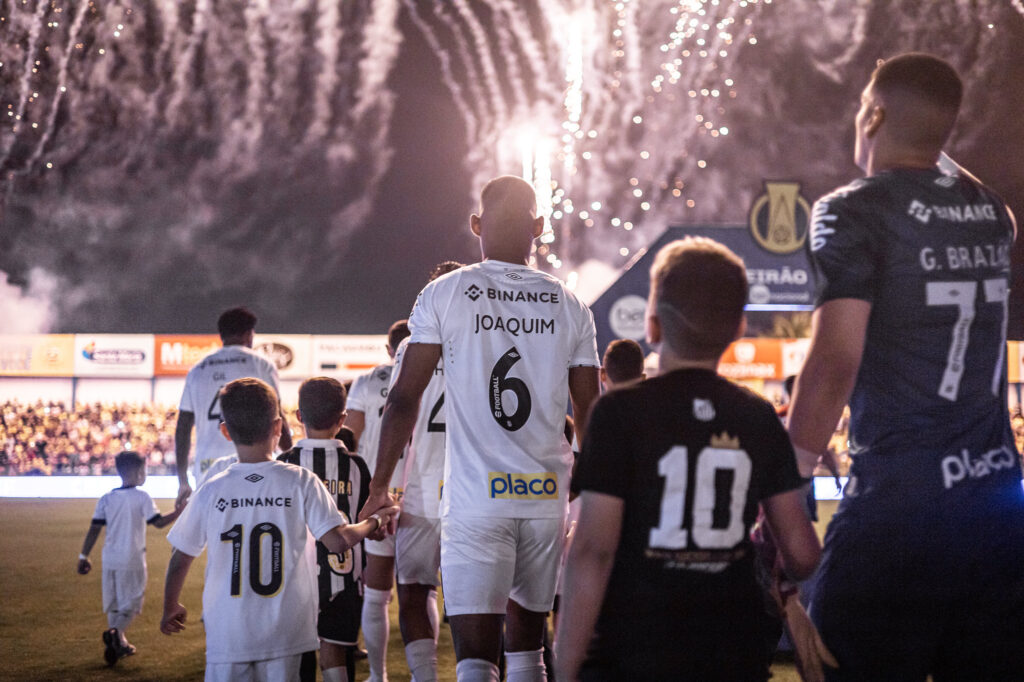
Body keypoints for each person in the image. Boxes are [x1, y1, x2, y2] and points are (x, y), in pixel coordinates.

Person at [787, 53, 1023, 680]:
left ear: (872, 113)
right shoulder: (994, 214)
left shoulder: (850, 209)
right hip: (996, 507)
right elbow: (946, 166)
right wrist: (930, 129)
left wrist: (790, 473)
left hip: (898, 508)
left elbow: (836, 357)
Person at [363, 175, 601, 682]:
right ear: (539, 227)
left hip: (476, 500)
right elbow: (590, 413)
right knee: (528, 653)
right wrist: (593, 494)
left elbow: (404, 398)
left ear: (476, 224)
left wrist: (379, 487)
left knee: (475, 660)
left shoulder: (444, 294)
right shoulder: (572, 305)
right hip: (543, 498)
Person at [554, 237, 821, 681]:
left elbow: (592, 551)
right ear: (738, 328)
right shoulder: (757, 417)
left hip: (632, 646)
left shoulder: (620, 412)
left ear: (653, 327)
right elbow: (803, 553)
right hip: (728, 648)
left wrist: (565, 669)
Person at [160, 378, 399, 682]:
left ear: (225, 431)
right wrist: (376, 521)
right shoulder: (300, 480)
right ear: (278, 427)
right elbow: (338, 542)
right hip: (286, 629)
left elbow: (180, 555)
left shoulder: (212, 488)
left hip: (227, 631)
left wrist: (171, 605)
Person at [392, 261, 463, 682]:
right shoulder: (484, 338)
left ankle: (425, 678)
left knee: (415, 591)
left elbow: (400, 410)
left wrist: (384, 484)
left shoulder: (409, 345)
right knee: (485, 601)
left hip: (421, 488)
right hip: (475, 487)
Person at [278, 377, 371, 682]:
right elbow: (366, 521)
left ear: (299, 416)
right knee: (337, 654)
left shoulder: (284, 463)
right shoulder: (357, 467)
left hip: (293, 581)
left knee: (298, 657)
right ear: (342, 419)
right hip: (344, 581)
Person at [174, 307, 291, 507]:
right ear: (249, 334)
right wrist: (291, 455)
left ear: (222, 335)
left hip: (207, 467)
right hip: (252, 463)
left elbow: (183, 426)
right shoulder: (262, 365)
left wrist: (182, 479)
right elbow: (277, 414)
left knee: (214, 533)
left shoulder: (198, 369)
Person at [346, 318, 411, 682]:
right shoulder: (436, 375)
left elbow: (350, 435)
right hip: (422, 490)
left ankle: (377, 675)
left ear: (389, 349)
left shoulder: (367, 380)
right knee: (421, 591)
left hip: (379, 492)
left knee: (376, 591)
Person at [76, 450, 183, 666]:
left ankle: (120, 644)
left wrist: (83, 555)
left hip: (110, 559)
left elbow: (94, 528)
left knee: (115, 604)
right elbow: (159, 522)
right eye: (144, 470)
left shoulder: (107, 498)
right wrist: (179, 511)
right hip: (132, 558)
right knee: (132, 603)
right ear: (137, 471)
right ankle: (116, 632)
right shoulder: (141, 496)